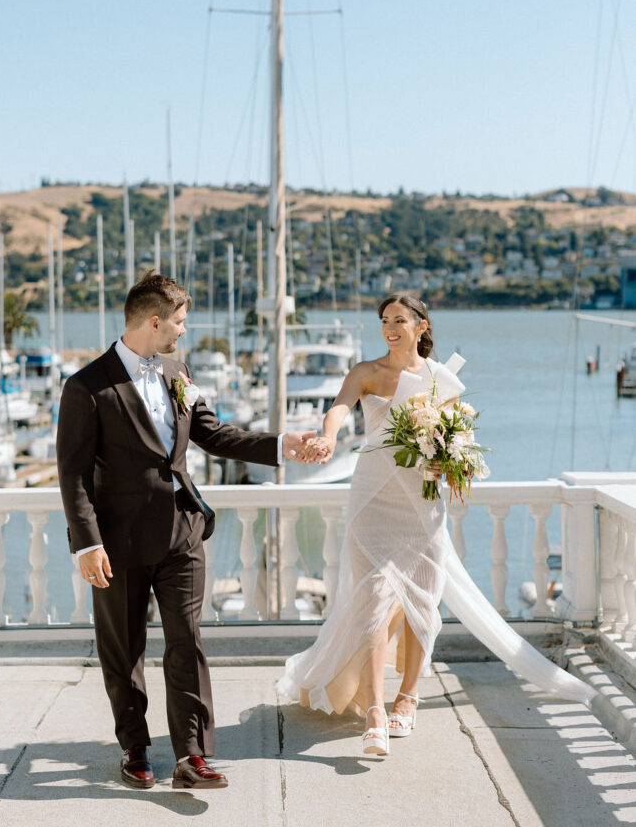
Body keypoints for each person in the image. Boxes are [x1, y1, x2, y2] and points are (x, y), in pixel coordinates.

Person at [278, 293, 596, 755]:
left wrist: (451, 463)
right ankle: (374, 711)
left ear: (421, 326)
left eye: (400, 320)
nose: (390, 327)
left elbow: (455, 442)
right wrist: (328, 438)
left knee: (421, 603)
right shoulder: (366, 372)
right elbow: (339, 408)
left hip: (421, 505)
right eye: (385, 320)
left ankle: (407, 697)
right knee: (370, 600)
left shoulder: (439, 379)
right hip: (372, 501)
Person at [57, 272, 315, 789]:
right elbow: (74, 472)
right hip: (118, 543)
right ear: (154, 321)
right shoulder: (87, 386)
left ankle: (191, 756)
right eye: (178, 322)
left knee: (187, 643)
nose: (183, 331)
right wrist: (87, 542)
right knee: (123, 649)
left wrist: (283, 444)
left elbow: (214, 434)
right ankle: (134, 748)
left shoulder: (177, 370)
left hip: (182, 533)